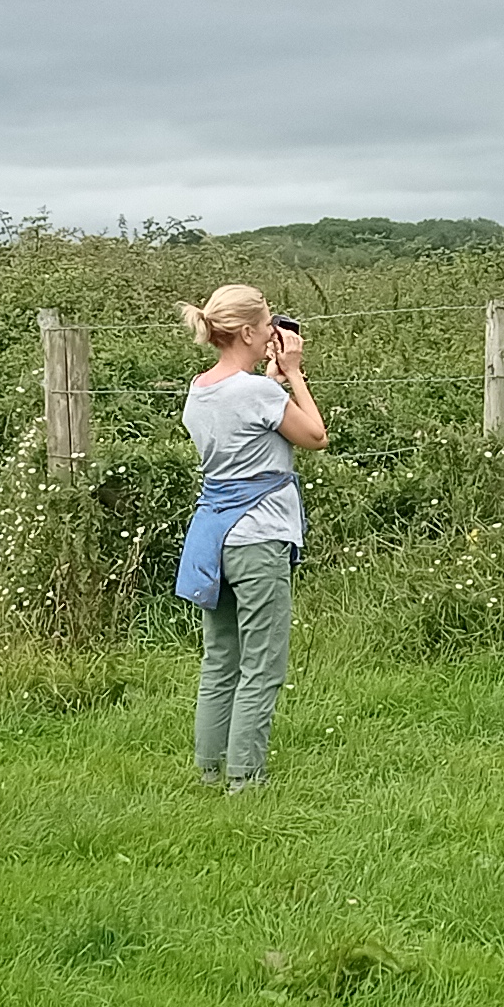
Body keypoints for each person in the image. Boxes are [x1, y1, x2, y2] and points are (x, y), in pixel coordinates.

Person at [175, 285, 321, 792]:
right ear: (245, 331)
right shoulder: (259, 392)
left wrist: (272, 382)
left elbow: (246, 416)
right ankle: (247, 779)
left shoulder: (200, 389)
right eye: (263, 329)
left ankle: (210, 773)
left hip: (214, 535)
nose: (269, 338)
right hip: (259, 537)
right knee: (263, 663)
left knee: (221, 659)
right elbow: (315, 436)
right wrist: (294, 376)